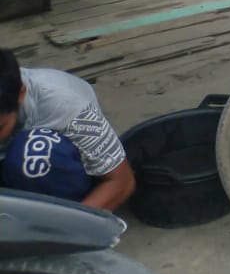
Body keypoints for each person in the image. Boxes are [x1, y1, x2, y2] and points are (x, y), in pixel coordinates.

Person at [0, 47, 136, 212]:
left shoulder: (69, 106)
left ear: (21, 94)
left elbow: (121, 182)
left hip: (59, 170)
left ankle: (55, 214)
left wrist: (67, 229)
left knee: (33, 154)